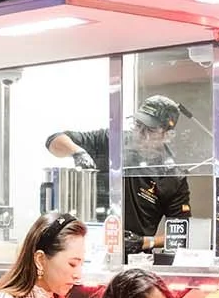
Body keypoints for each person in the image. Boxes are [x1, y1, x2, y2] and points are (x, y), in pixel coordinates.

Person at [45, 95, 192, 250]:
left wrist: (143, 242)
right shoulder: (113, 141)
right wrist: (77, 152)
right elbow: (54, 141)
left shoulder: (172, 176)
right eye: (138, 125)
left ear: (168, 135)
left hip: (133, 258)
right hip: (90, 244)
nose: (141, 134)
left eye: (150, 130)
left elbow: (180, 234)